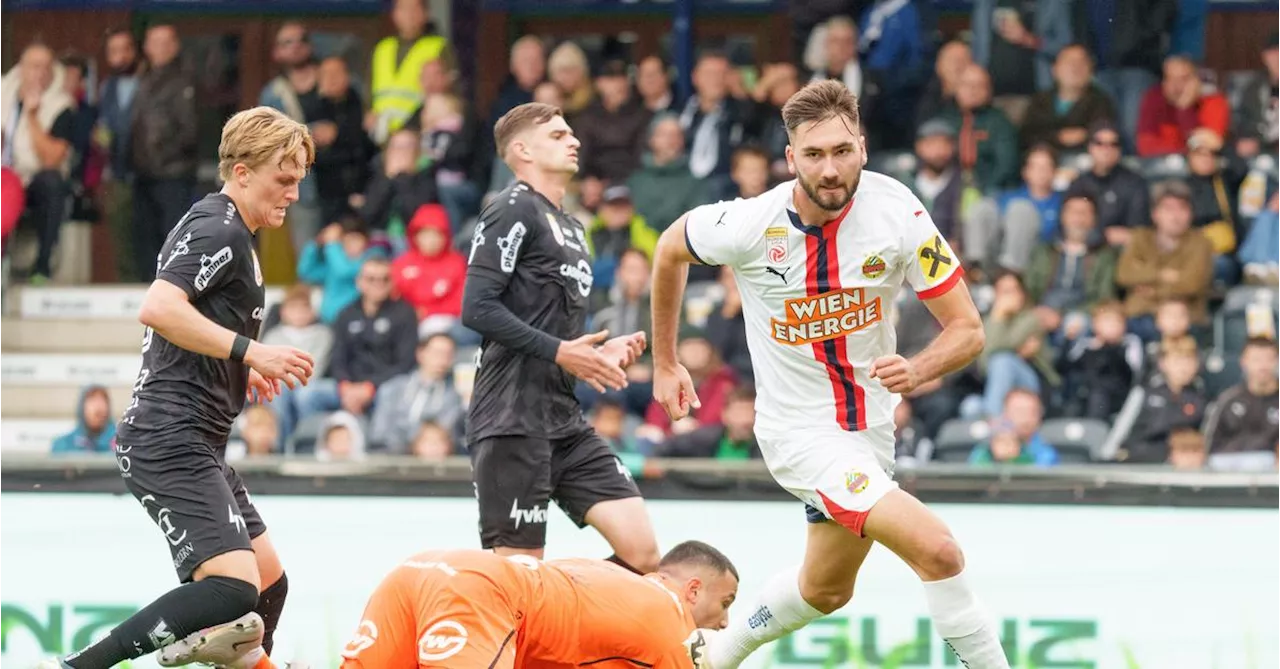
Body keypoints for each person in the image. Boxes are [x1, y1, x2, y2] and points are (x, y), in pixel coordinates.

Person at [651, 81, 1009, 669]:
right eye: (813, 155)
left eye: (842, 151)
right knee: (939, 551)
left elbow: (968, 329)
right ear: (791, 159)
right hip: (798, 433)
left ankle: (711, 657)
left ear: (863, 148)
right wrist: (666, 362)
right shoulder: (749, 225)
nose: (831, 168)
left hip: (869, 431)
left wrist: (917, 369)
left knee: (825, 590)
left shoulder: (900, 213)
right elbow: (669, 249)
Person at [44, 107, 317, 669]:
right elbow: (158, 307)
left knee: (269, 587)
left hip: (199, 440)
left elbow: (193, 327)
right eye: (283, 179)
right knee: (235, 590)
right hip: (169, 437)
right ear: (242, 173)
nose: (292, 193)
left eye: (299, 181)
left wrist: (243, 370)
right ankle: (79, 666)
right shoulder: (218, 226)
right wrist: (253, 351)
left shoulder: (236, 230)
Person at [459, 102, 659, 573]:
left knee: (643, 553)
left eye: (571, 133)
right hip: (511, 418)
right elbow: (477, 307)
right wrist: (562, 352)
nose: (574, 141)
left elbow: (555, 330)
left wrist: (595, 350)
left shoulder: (573, 227)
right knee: (519, 575)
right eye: (557, 135)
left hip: (565, 420)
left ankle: (568, 615)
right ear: (523, 150)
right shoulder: (511, 208)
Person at [339, 541, 739, 669]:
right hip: (480, 592)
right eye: (725, 603)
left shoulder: (603, 574)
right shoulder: (673, 624)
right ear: (691, 589)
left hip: (420, 568)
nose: (724, 622)